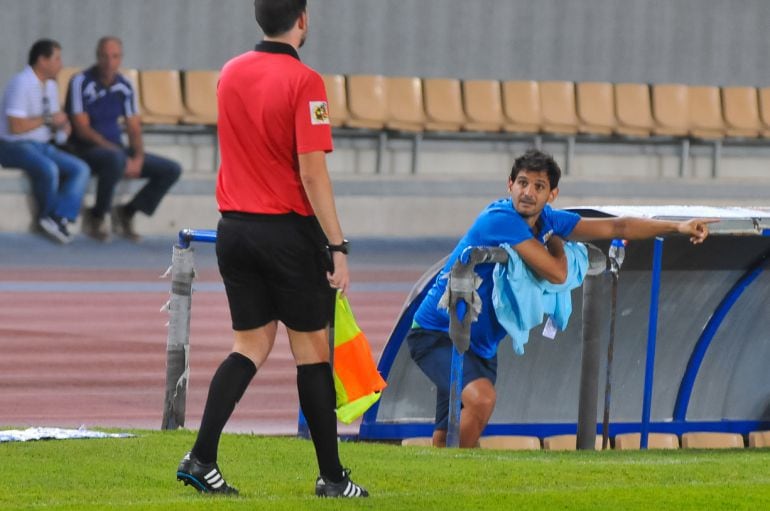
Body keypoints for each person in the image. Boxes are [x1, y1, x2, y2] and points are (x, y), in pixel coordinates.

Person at [175, 0, 367, 498]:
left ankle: (201, 458)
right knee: (312, 354)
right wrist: (337, 244)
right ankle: (331, 478)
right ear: (302, 19)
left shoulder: (230, 72)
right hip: (286, 231)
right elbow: (311, 171)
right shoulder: (307, 82)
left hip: (234, 229)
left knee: (250, 346)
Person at [406, 148, 716, 449]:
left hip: (481, 344)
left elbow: (618, 226)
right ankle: (462, 477)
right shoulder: (500, 219)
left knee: (448, 435)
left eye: (539, 186)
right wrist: (557, 241)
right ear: (509, 185)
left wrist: (677, 226)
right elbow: (556, 273)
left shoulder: (549, 219)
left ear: (552, 194)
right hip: (439, 333)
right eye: (523, 183)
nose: (528, 192)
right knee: (482, 400)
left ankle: (448, 484)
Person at [66, 36, 181, 242]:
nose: (109, 62)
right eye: (105, 56)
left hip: (116, 151)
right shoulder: (80, 81)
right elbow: (82, 129)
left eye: (115, 57)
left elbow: (134, 128)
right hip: (85, 150)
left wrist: (137, 156)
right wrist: (119, 153)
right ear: (97, 57)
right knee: (115, 160)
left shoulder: (125, 86)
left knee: (171, 169)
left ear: (121, 59)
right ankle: (98, 215)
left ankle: (128, 211)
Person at [0, 39, 90, 244]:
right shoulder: (20, 83)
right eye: (57, 58)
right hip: (13, 146)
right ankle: (48, 216)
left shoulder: (50, 85)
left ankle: (59, 217)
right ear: (42, 60)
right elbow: (16, 126)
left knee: (80, 168)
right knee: (48, 168)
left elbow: (52, 117)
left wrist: (62, 126)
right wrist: (49, 120)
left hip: (42, 145)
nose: (61, 64)